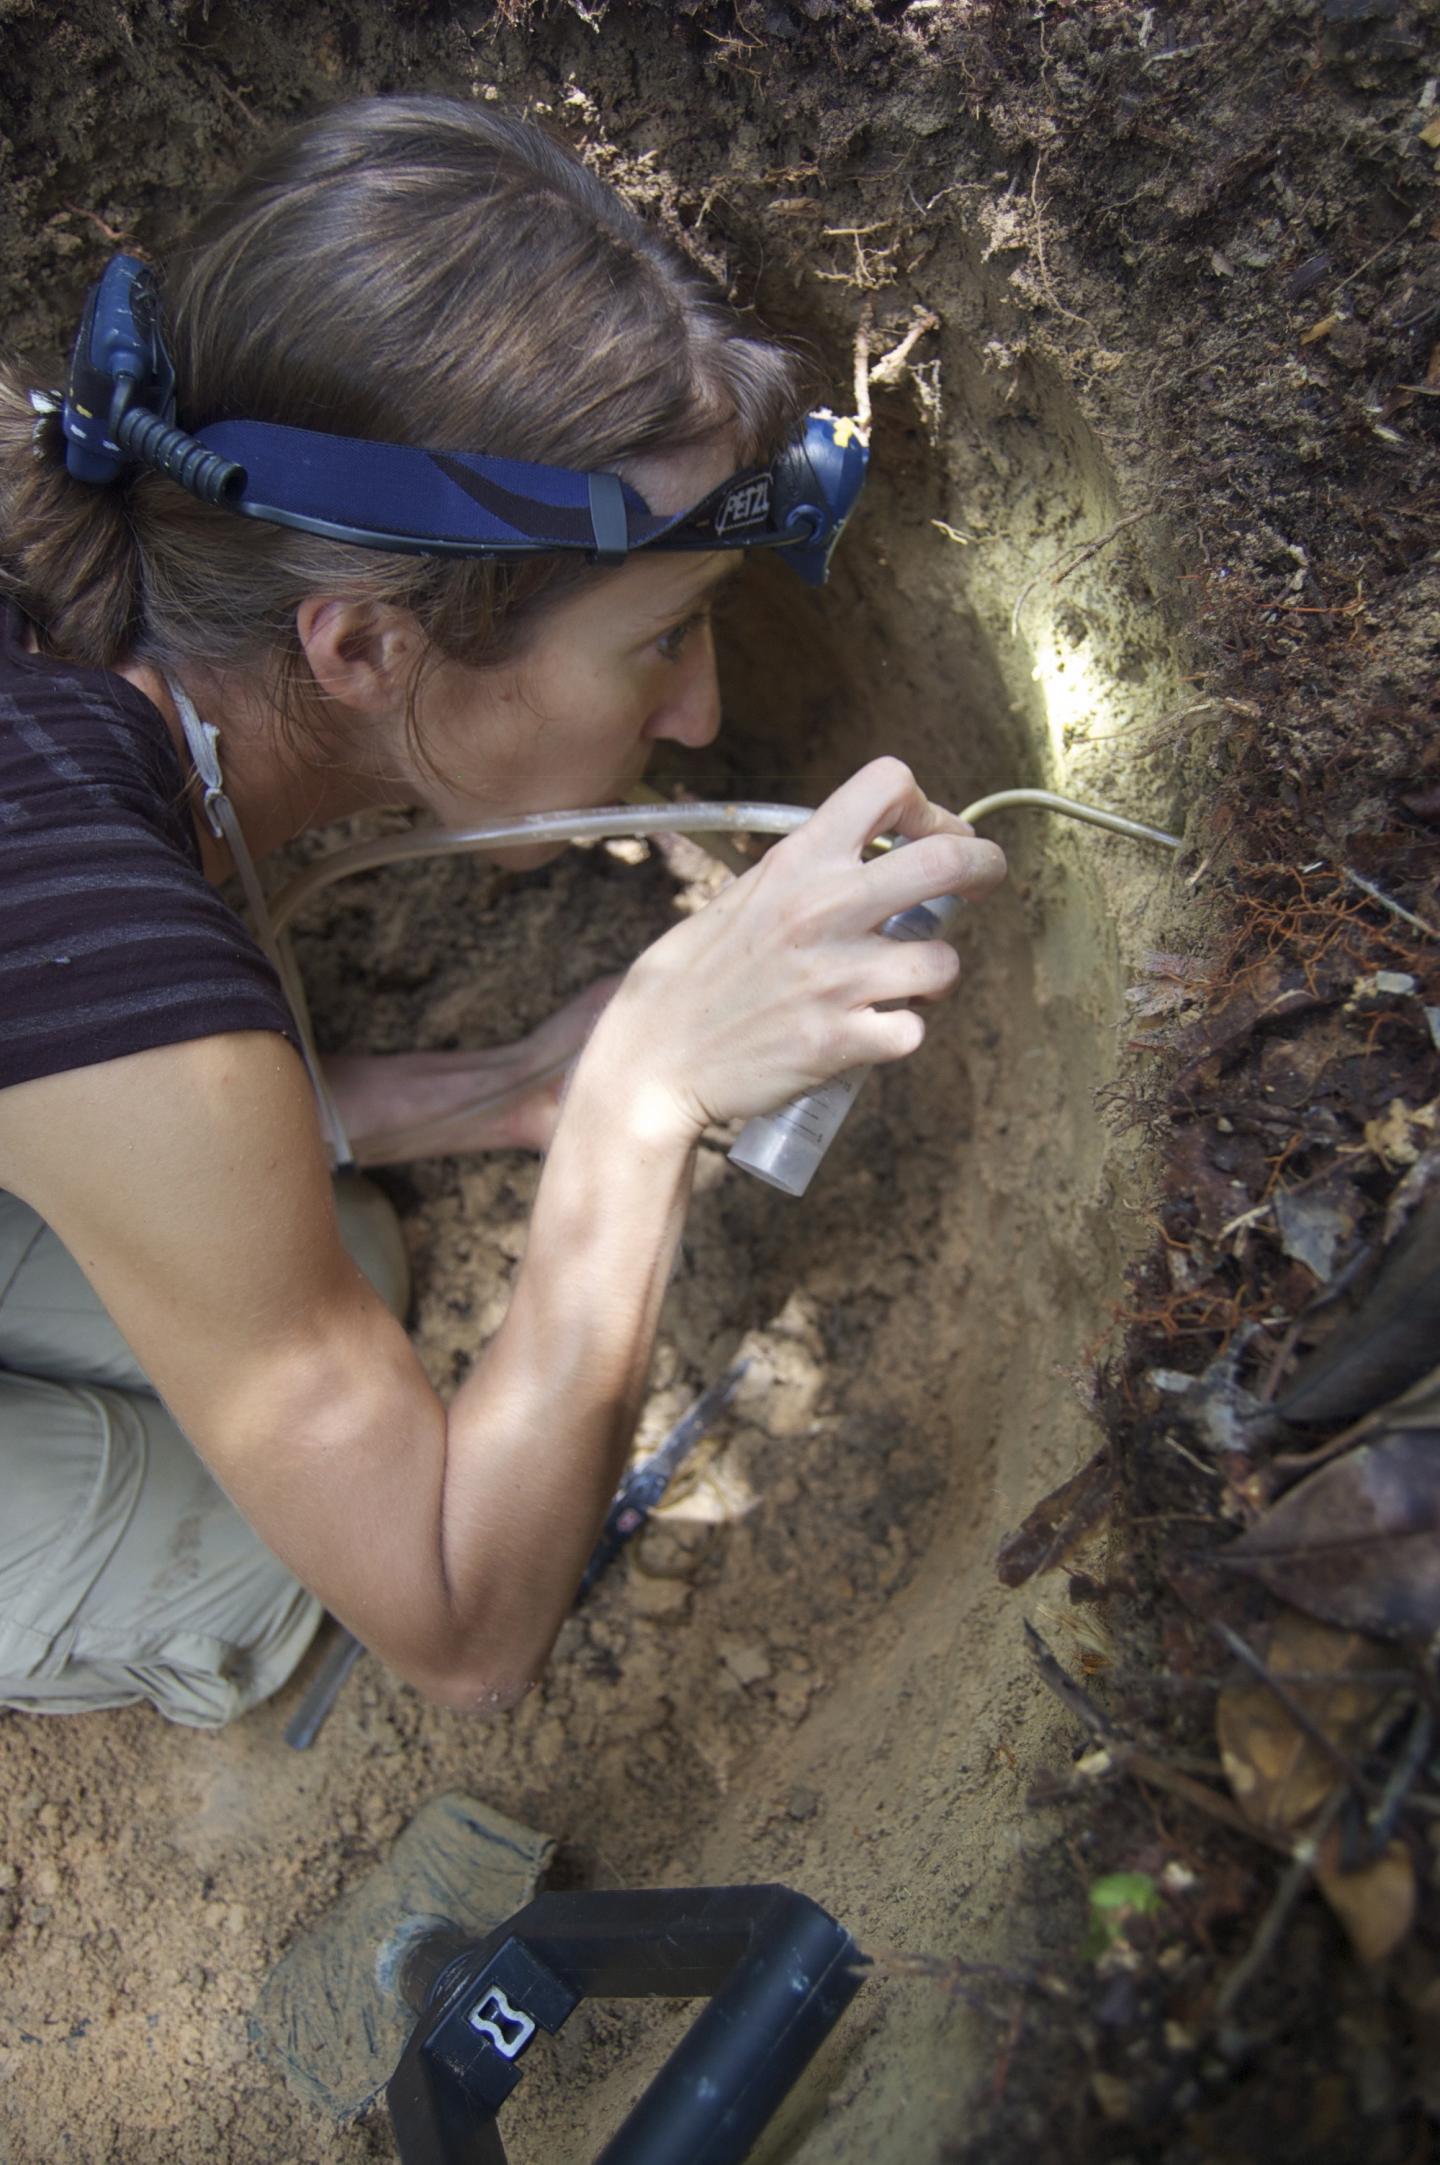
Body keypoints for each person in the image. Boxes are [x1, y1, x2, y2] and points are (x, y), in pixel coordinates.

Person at [0, 95, 1005, 1728]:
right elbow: (457, 1621)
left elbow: (117, 1099)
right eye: (659, 637)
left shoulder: (89, 540)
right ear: (360, 647)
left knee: (341, 1253)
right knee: (260, 1559)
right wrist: (637, 1104)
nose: (696, 714)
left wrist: (525, 1087)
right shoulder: (86, 911)